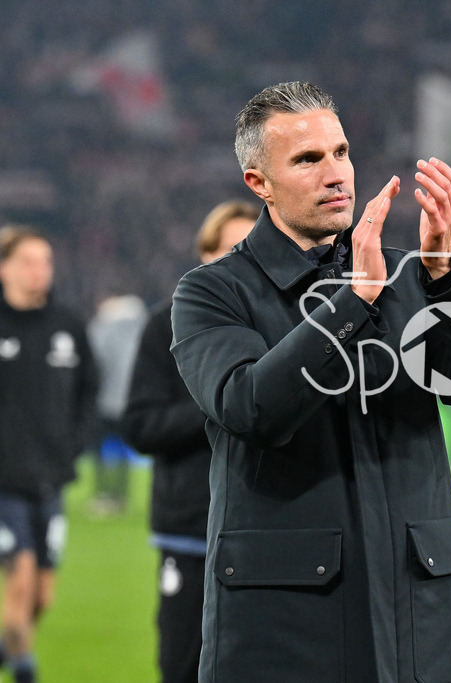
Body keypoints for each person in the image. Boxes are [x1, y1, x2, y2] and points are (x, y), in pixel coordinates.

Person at [169, 81, 451, 682]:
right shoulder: (213, 292)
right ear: (259, 183)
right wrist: (353, 300)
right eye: (308, 160)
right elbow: (251, 407)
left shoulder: (413, 277)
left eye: (340, 152)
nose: (334, 173)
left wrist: (444, 274)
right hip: (289, 625)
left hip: (426, 621)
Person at [122, 200, 258, 683]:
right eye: (227, 250)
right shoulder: (166, 325)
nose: (238, 263)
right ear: (203, 255)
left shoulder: (286, 325)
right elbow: (140, 427)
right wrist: (223, 401)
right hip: (190, 532)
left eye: (250, 251)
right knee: (182, 668)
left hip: (270, 537)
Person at [0, 225, 97, 683]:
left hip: (51, 480)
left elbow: (89, 391)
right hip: (3, 484)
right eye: (27, 261)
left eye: (45, 262)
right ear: (4, 269)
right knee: (18, 580)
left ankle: (9, 647)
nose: (39, 271)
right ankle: (23, 671)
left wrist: (75, 445)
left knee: (42, 596)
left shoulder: (67, 324)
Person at [87, 293, 148, 516]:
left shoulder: (102, 327)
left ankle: (104, 495)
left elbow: (94, 361)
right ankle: (121, 496)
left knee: (102, 450)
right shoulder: (142, 325)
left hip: (105, 400)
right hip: (131, 401)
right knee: (123, 450)